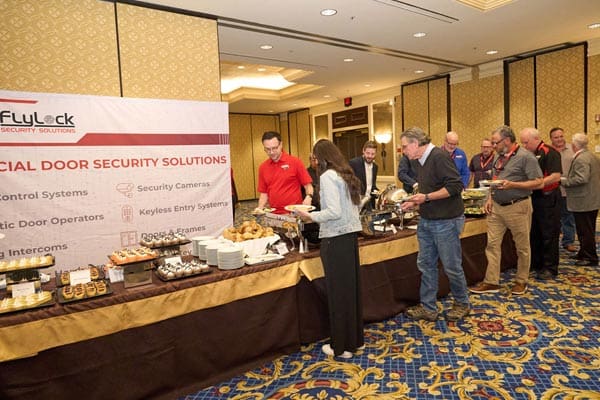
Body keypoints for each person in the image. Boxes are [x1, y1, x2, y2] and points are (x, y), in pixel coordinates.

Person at [294, 139, 364, 359]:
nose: (314, 163)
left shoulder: (327, 177)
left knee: (337, 295)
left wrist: (309, 215)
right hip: (350, 238)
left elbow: (332, 212)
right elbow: (355, 206)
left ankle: (341, 347)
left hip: (334, 240)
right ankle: (354, 341)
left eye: (315, 158)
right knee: (351, 292)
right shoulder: (346, 173)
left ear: (321, 158)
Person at [399, 127, 470, 321]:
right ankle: (429, 307)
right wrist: (415, 202)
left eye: (405, 146)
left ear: (415, 144)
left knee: (451, 266)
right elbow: (428, 190)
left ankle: (462, 303)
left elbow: (456, 186)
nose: (403, 150)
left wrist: (426, 197)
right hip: (427, 220)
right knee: (426, 265)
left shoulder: (438, 157)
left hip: (447, 220)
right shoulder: (420, 161)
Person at [470, 125, 543, 295]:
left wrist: (513, 185)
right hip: (496, 207)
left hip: (518, 206)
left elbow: (539, 182)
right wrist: (489, 198)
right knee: (492, 245)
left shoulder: (526, 157)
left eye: (495, 142)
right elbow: (495, 180)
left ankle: (521, 280)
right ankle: (491, 282)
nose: (493, 146)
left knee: (522, 246)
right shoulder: (498, 157)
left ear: (507, 141)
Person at [519, 127, 562, 280]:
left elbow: (556, 176)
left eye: (526, 142)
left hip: (549, 197)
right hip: (534, 198)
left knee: (549, 234)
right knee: (535, 232)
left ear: (536, 139)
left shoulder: (550, 152)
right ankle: (537, 263)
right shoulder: (529, 154)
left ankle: (550, 267)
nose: (524, 146)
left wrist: (538, 183)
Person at [561, 133, 600, 267]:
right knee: (587, 229)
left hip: (583, 200)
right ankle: (584, 253)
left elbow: (581, 179)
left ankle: (590, 257)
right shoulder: (590, 156)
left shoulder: (581, 158)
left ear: (573, 145)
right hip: (590, 199)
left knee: (585, 231)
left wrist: (564, 181)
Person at [255, 131, 313, 214]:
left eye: (274, 148)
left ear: (281, 145)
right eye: (268, 149)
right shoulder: (263, 167)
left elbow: (308, 186)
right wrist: (260, 208)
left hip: (294, 213)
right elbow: (264, 193)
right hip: (274, 214)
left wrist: (309, 197)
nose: (271, 152)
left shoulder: (295, 162)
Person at [549, 127, 577, 252]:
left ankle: (568, 242)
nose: (559, 139)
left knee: (568, 217)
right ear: (551, 139)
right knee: (552, 218)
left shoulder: (573, 149)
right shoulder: (548, 151)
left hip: (568, 189)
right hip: (551, 190)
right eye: (556, 137)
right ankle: (552, 242)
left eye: (561, 136)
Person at [349, 140, 379, 209]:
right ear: (363, 151)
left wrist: (380, 193)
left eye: (373, 154)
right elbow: (349, 183)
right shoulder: (354, 163)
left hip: (369, 203)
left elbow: (372, 186)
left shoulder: (375, 167)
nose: (370, 156)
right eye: (368, 153)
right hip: (356, 202)